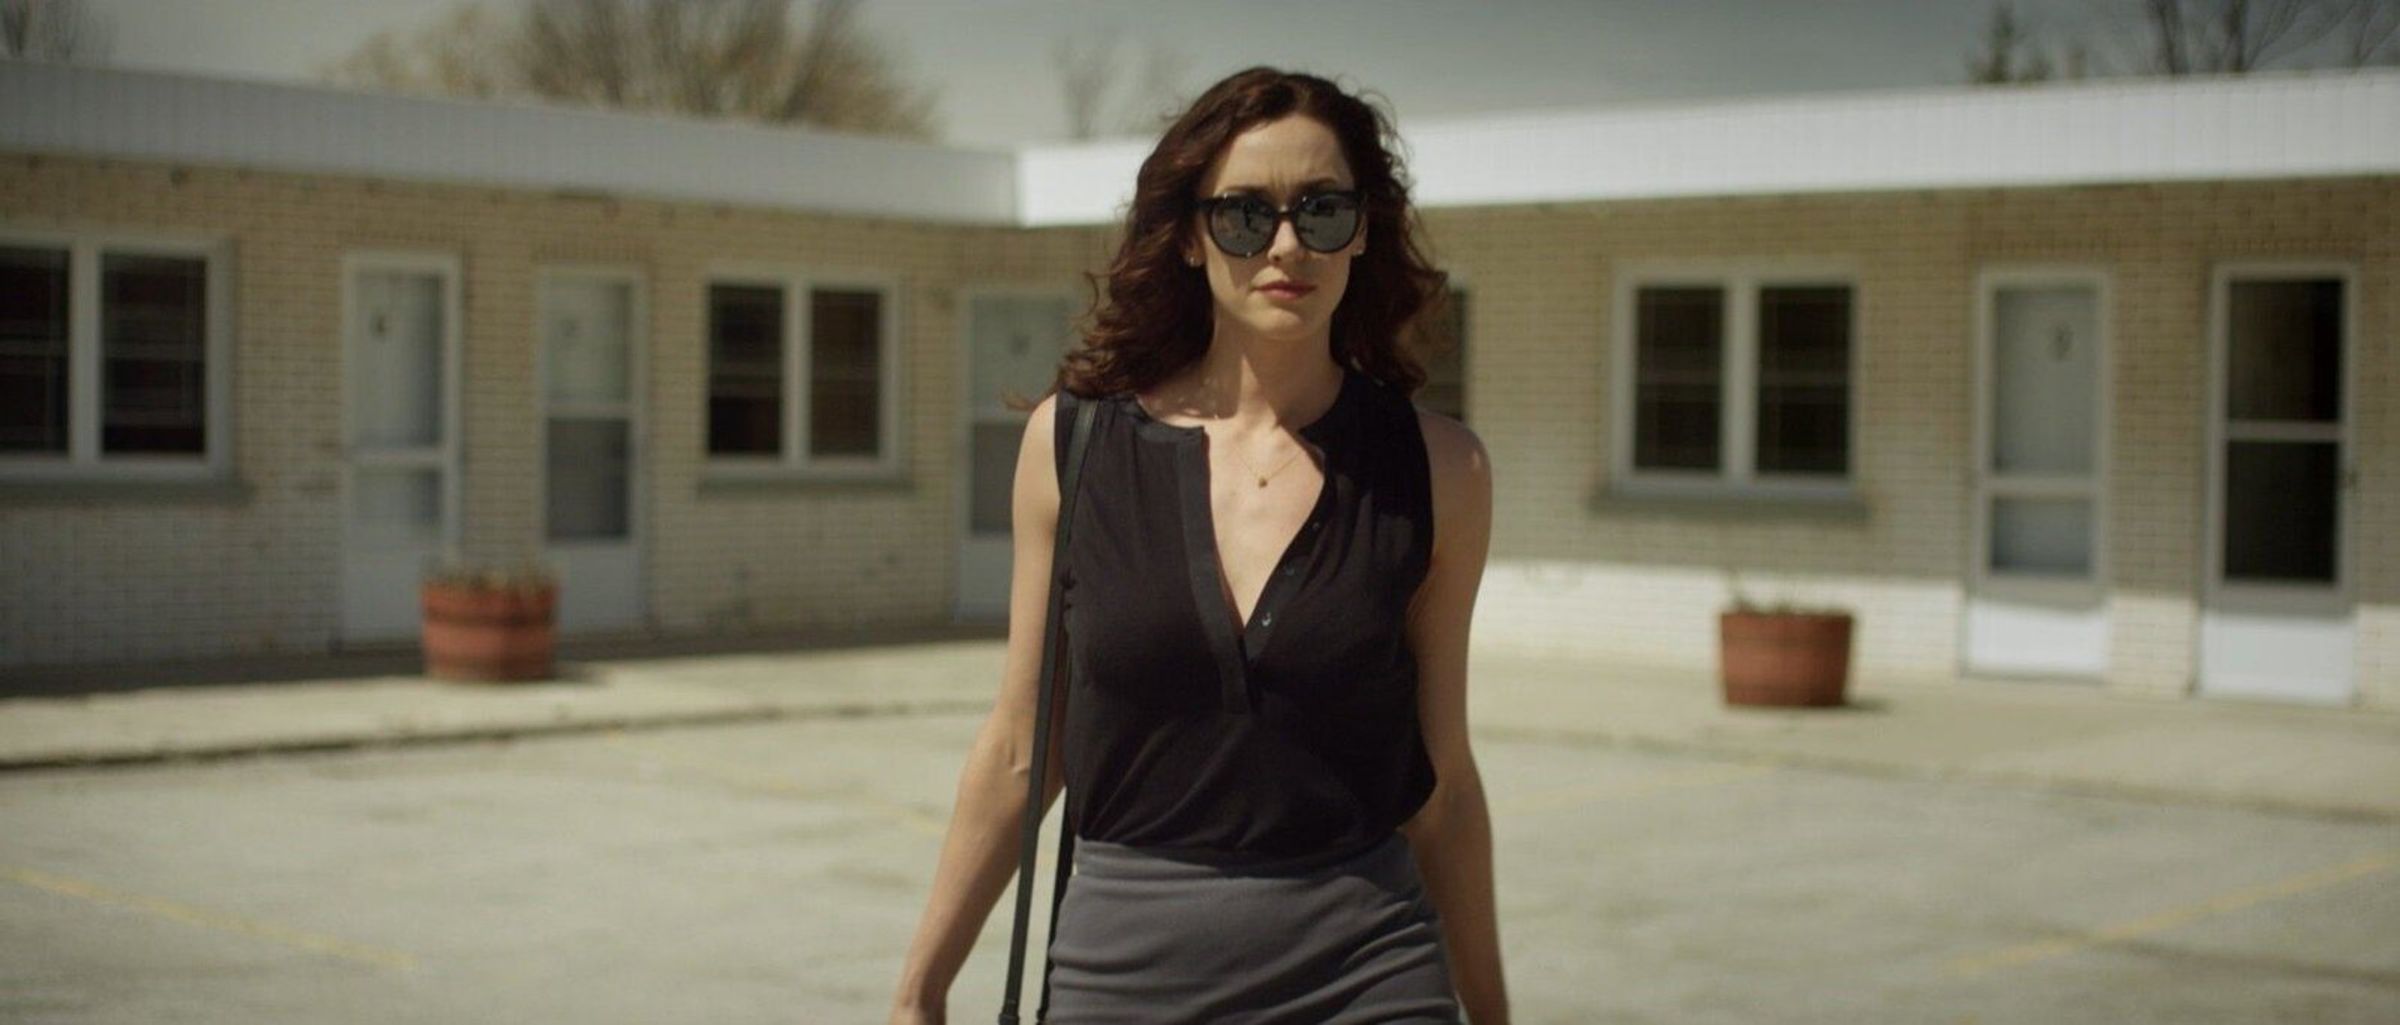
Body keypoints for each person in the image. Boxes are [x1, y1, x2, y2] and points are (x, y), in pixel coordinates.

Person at [890, 66, 1505, 1025]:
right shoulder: (1072, 446)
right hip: (1124, 971)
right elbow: (1022, 746)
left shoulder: (1440, 469)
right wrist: (919, 988)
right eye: (1245, 214)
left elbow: (1446, 783)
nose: (1287, 245)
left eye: (1324, 209)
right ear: (1187, 235)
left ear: (1363, 230)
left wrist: (1493, 1011)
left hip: (1368, 969)